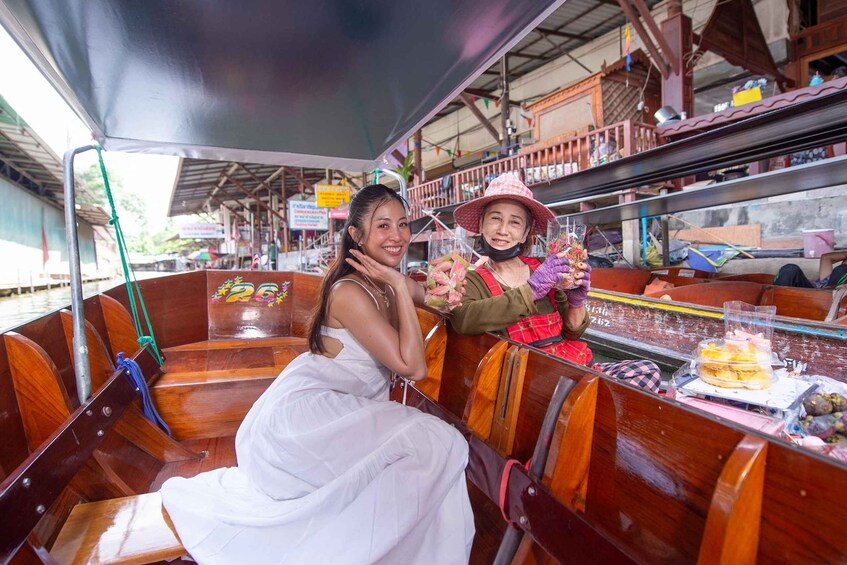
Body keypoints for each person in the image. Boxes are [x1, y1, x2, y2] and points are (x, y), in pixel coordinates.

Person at [161, 184, 475, 564]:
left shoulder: (386, 281)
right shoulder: (349, 291)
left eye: (403, 224)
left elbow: (447, 302)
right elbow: (414, 368)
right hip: (303, 417)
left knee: (436, 443)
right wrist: (398, 284)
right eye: (383, 226)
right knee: (436, 439)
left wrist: (464, 282)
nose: (397, 235)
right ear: (356, 234)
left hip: (344, 408)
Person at [449, 172, 661, 393]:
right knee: (615, 396)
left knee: (648, 370)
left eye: (514, 222)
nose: (503, 230)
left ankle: (595, 404)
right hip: (527, 385)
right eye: (495, 218)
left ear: (525, 233)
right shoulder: (471, 279)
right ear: (481, 225)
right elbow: (463, 320)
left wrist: (577, 301)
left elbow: (572, 334)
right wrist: (532, 290)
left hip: (569, 371)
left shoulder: (544, 268)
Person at [774, 250, 847, 289]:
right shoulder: (829, 277)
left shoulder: (842, 271)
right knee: (790, 269)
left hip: (830, 297)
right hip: (815, 294)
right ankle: (773, 303)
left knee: (842, 270)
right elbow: (826, 257)